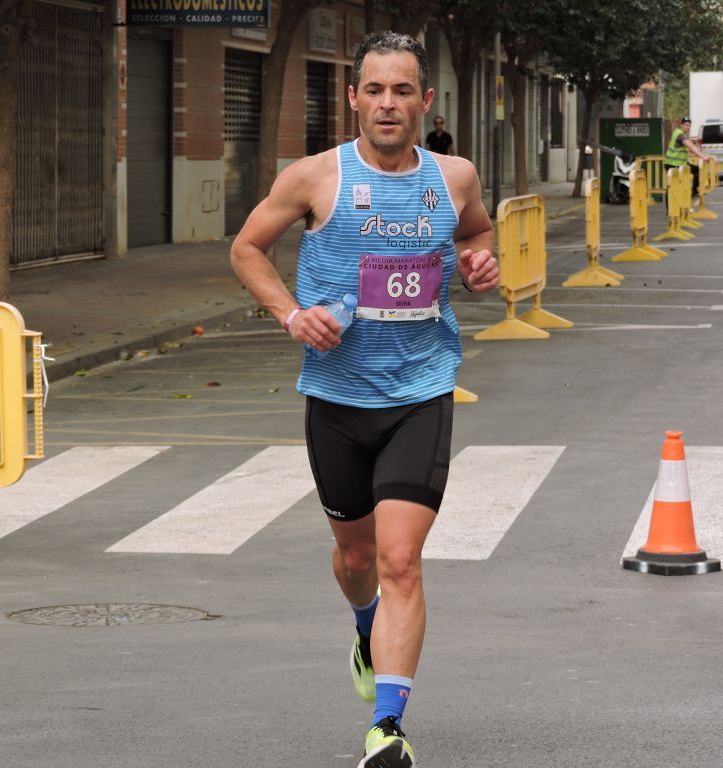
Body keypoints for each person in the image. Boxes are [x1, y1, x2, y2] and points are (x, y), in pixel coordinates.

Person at [229, 31, 499, 768]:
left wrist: (481, 265)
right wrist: (291, 313)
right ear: (353, 98)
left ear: (425, 101)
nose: (388, 104)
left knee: (401, 557)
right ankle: (364, 626)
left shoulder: (454, 176)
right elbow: (247, 247)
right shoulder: (313, 178)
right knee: (356, 558)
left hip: (421, 389)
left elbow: (478, 235)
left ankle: (387, 727)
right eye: (374, 90)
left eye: (402, 90)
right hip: (338, 396)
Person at [665, 116, 710, 203]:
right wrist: (703, 157)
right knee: (672, 187)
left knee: (697, 170)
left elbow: (691, 149)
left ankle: (693, 193)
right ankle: (670, 210)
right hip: (672, 165)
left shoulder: (683, 134)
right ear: (681, 125)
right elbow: (691, 146)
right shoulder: (679, 134)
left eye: (689, 125)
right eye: (686, 125)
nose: (688, 127)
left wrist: (697, 149)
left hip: (680, 164)